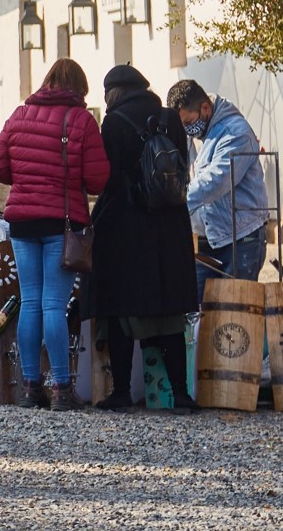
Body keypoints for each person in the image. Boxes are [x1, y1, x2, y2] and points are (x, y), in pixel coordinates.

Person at [0, 58, 110, 411]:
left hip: (23, 223)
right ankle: (61, 388)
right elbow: (99, 180)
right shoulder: (83, 121)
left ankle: (30, 387)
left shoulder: (19, 115)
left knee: (30, 302)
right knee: (54, 305)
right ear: (79, 89)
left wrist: (27, 181)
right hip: (62, 222)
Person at [81, 66, 198, 413]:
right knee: (169, 310)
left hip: (127, 228)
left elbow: (108, 179)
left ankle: (120, 392)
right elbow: (182, 167)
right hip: (170, 226)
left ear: (114, 93)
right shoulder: (168, 118)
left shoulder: (113, 123)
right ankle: (180, 393)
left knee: (121, 310)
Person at [165, 78, 270, 302]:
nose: (187, 129)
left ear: (205, 108)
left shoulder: (236, 132)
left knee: (239, 315)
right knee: (202, 314)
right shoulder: (191, 134)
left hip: (240, 237)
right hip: (207, 239)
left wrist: (177, 203)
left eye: (189, 122)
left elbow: (216, 181)